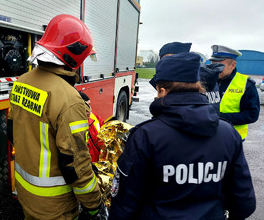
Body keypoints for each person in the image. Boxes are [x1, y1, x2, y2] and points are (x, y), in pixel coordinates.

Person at [109, 52, 256, 220]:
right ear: (198, 86)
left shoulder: (145, 136)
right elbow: (244, 204)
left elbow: (124, 204)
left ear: (162, 90)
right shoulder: (229, 134)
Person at [8, 14, 104, 220]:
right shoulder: (70, 100)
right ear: (73, 57)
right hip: (55, 206)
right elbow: (76, 165)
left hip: (25, 193)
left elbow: (11, 132)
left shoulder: (21, 82)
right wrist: (95, 205)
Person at [210, 45, 260, 140]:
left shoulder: (246, 84)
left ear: (233, 65)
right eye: (213, 63)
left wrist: (220, 117)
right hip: (208, 136)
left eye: (219, 65)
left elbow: (252, 115)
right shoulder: (205, 80)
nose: (214, 68)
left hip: (232, 138)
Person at [78, 91, 105, 162]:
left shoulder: (94, 117)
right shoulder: (74, 125)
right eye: (85, 106)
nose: (89, 110)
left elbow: (104, 131)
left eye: (89, 105)